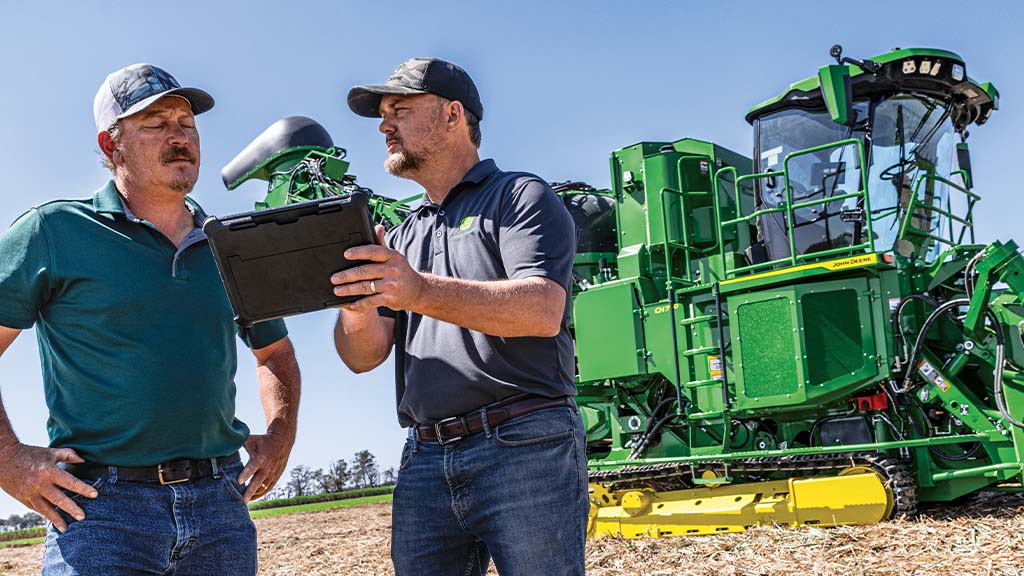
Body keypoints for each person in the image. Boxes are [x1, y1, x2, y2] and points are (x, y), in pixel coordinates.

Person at [0, 63, 300, 575]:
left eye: (186, 123)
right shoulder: (52, 231)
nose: (179, 136)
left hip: (220, 511)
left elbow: (274, 354)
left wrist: (280, 436)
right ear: (111, 144)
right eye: (156, 124)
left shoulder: (230, 245)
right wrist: (9, 460)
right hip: (100, 514)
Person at [332, 57, 587, 576]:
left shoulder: (520, 197)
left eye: (399, 110)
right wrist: (358, 309)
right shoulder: (403, 234)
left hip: (525, 444)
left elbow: (541, 309)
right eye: (382, 114)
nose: (385, 126)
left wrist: (418, 288)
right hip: (425, 458)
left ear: (453, 115)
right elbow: (365, 357)